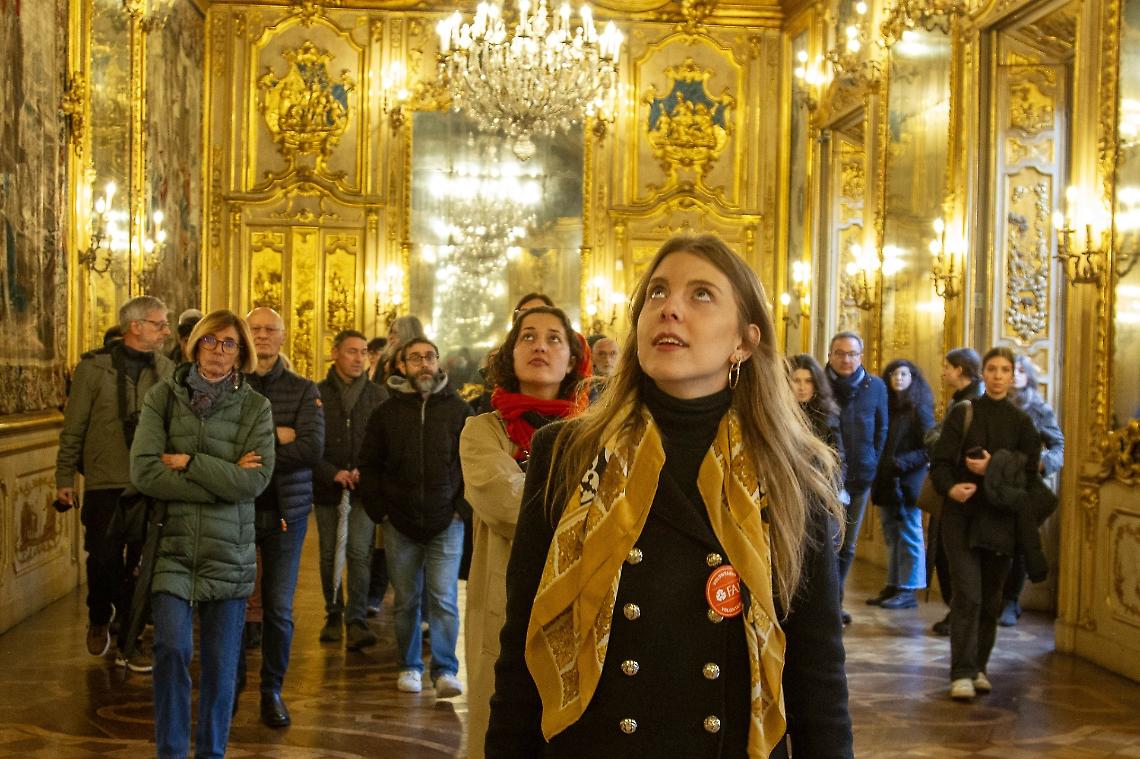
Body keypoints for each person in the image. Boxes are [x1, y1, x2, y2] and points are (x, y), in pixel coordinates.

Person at [485, 234, 852, 757]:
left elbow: (816, 669)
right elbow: (523, 643)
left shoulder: (789, 470)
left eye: (701, 294)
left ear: (744, 342)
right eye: (656, 293)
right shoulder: (568, 453)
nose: (670, 309)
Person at [129, 309, 275, 758]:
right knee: (171, 649)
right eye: (210, 340)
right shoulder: (162, 398)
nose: (218, 351)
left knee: (220, 663)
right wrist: (223, 477)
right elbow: (145, 472)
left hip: (229, 550)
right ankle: (171, 752)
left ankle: (212, 752)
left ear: (241, 352)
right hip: (172, 546)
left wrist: (190, 462)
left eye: (229, 343)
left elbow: (254, 481)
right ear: (195, 345)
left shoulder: (256, 407)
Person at [460, 306, 589, 759]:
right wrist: (583, 506)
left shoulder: (595, 431)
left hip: (579, 594)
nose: (540, 346)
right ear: (510, 354)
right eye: (528, 337)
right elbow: (508, 505)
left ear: (572, 359)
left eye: (554, 338)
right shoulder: (483, 431)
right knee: (506, 726)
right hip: (508, 593)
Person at [55, 295, 174, 672]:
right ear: (135, 326)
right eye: (159, 323)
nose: (166, 331)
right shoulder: (94, 368)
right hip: (104, 480)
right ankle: (98, 614)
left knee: (140, 564)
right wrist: (64, 478)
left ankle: (129, 638)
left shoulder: (167, 370)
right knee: (104, 558)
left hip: (149, 480)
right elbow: (74, 427)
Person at [357, 337, 473, 698]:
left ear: (438, 363)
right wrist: (381, 510)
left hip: (446, 520)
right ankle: (408, 665)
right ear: (402, 366)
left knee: (443, 598)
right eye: (415, 358)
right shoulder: (386, 412)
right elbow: (369, 463)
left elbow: (471, 463)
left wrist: (461, 509)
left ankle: (445, 669)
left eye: (429, 357)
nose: (424, 364)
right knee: (406, 599)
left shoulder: (458, 410)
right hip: (400, 521)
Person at [930, 347, 1040, 700]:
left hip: (1000, 520)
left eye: (1005, 370)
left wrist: (994, 466)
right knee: (968, 595)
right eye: (992, 369)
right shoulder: (965, 412)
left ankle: (978, 667)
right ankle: (961, 672)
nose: (998, 376)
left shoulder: (1022, 422)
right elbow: (940, 462)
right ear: (984, 373)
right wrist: (952, 488)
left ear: (1013, 375)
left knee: (991, 599)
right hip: (962, 516)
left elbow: (1030, 472)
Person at [241, 307, 325, 727]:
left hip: (285, 512)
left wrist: (254, 451)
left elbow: (311, 449)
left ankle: (271, 689)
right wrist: (278, 434)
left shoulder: (303, 389)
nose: (262, 335)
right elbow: (220, 444)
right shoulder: (232, 384)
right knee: (233, 603)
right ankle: (233, 682)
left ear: (282, 336)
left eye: (269, 329)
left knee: (277, 608)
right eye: (254, 329)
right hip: (236, 509)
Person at [314, 330, 388, 647]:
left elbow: (384, 443)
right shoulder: (317, 393)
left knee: (359, 552)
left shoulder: (378, 395)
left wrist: (363, 470)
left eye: (364, 352)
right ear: (335, 353)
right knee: (329, 553)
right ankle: (333, 613)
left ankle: (356, 618)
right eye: (352, 351)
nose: (359, 359)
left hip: (362, 488)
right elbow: (310, 443)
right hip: (327, 487)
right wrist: (332, 472)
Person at [826, 330, 888, 624]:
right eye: (840, 353)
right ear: (830, 355)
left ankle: (836, 602)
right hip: (825, 478)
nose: (846, 359)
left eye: (852, 354)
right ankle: (825, 603)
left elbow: (881, 429)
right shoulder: (819, 384)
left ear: (861, 357)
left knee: (848, 545)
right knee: (828, 542)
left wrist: (872, 461)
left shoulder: (875, 386)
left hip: (860, 476)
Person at [999, 355, 1065, 626]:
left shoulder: (1038, 408)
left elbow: (1058, 446)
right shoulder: (991, 404)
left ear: (1028, 376)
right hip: (994, 481)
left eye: (1020, 371)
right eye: (1009, 370)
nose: (1014, 375)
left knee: (1019, 545)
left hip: (1025, 485)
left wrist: (1043, 463)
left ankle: (1011, 600)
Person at [867, 360, 934, 610]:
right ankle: (894, 583)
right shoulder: (887, 408)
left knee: (909, 533)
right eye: (894, 374)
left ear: (912, 378)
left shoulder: (919, 409)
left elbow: (929, 447)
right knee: (892, 534)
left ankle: (909, 588)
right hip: (887, 480)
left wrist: (901, 462)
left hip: (907, 480)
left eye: (904, 374)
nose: (898, 378)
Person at [929, 347, 984, 636]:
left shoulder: (969, 403)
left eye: (947, 367)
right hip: (952, 486)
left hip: (962, 490)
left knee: (952, 558)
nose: (943, 372)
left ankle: (959, 615)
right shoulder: (960, 400)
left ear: (959, 369)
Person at [789, 353, 845, 466]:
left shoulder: (828, 415)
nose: (802, 387)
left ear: (816, 383)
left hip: (819, 474)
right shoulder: (780, 414)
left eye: (808, 381)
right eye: (796, 381)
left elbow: (838, 459)